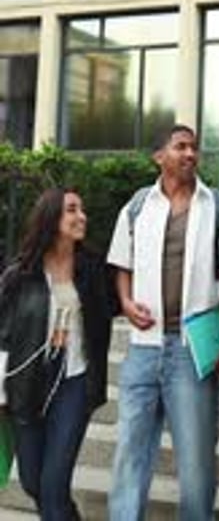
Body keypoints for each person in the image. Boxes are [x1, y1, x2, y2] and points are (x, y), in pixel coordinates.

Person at [107, 122, 219, 521]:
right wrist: (126, 301)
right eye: (180, 147)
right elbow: (121, 264)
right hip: (143, 350)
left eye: (193, 148)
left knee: (197, 458)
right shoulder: (136, 207)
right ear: (159, 156)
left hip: (191, 350)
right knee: (130, 452)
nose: (189, 154)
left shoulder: (218, 208)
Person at [0, 187, 114, 520]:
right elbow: (2, 335)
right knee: (33, 481)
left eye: (82, 209)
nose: (82, 217)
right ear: (51, 218)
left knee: (52, 485)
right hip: (28, 383)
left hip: (74, 380)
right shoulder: (20, 274)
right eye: (72, 210)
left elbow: (117, 302)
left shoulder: (92, 270)